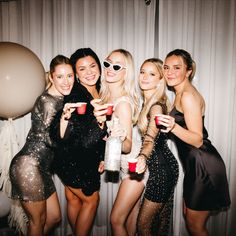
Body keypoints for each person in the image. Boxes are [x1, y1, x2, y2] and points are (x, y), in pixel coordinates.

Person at [157, 49, 231, 236]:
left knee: (195, 225)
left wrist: (173, 127)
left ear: (188, 71)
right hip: (194, 164)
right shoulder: (180, 93)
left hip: (203, 164)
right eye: (166, 67)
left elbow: (197, 139)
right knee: (190, 218)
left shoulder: (188, 96)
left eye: (176, 67)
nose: (169, 72)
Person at [9, 55, 75, 236]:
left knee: (53, 217)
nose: (66, 81)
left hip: (42, 168)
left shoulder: (62, 100)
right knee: (37, 222)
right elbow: (52, 140)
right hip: (28, 166)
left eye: (70, 76)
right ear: (51, 77)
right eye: (60, 76)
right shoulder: (49, 102)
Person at [50, 48, 107, 236]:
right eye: (82, 69)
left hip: (74, 159)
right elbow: (79, 139)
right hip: (76, 160)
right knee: (92, 200)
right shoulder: (78, 96)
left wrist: (102, 155)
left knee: (74, 199)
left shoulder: (96, 91)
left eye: (92, 65)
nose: (89, 72)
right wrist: (101, 126)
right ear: (76, 74)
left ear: (99, 66)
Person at [91, 49, 146, 236]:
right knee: (129, 225)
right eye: (107, 63)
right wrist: (104, 155)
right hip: (122, 167)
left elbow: (128, 145)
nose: (109, 69)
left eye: (116, 66)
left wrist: (117, 138)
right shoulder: (105, 98)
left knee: (116, 220)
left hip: (133, 168)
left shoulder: (122, 103)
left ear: (126, 72)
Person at [136, 58, 179, 235]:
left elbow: (150, 139)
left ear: (161, 80)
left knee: (143, 225)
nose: (145, 77)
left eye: (152, 74)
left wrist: (142, 157)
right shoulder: (150, 104)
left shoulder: (156, 107)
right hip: (164, 168)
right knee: (160, 224)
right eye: (142, 71)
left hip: (162, 171)